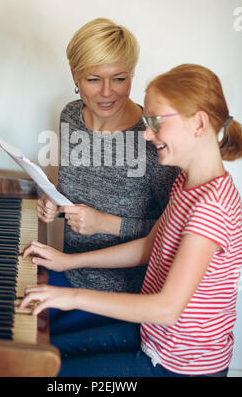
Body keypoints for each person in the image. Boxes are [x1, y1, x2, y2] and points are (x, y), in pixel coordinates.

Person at [20, 64, 242, 377]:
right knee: (36, 354)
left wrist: (71, 297)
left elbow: (167, 308)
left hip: (178, 367)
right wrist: (68, 263)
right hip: (152, 338)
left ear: (199, 123)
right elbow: (149, 247)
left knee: (45, 373)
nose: (148, 135)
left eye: (155, 123)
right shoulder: (187, 184)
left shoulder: (211, 207)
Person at [36, 18, 179, 334]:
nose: (106, 93)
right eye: (92, 79)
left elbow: (175, 235)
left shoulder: (154, 139)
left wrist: (105, 224)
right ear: (74, 75)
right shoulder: (70, 115)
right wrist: (54, 203)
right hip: (70, 273)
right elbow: (77, 192)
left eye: (119, 78)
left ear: (132, 75)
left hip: (123, 300)